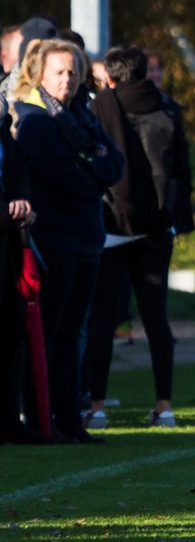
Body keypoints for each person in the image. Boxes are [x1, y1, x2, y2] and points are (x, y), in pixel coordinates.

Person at [8, 38, 124, 444]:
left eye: (73, 72)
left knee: (74, 329)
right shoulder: (37, 121)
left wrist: (91, 169)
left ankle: (70, 418)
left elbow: (114, 164)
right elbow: (67, 178)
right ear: (39, 74)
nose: (67, 80)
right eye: (58, 71)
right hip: (55, 238)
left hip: (87, 236)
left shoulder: (83, 116)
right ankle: (44, 418)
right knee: (51, 330)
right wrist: (92, 170)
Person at [83, 46, 194, 430]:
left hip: (112, 225)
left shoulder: (100, 106)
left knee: (102, 319)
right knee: (155, 318)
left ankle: (96, 405)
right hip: (157, 228)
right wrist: (181, 219)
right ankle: (164, 405)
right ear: (146, 72)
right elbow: (182, 169)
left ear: (111, 78)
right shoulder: (168, 109)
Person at [0, 99, 39, 444]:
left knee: (13, 333)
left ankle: (10, 421)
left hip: (7, 247)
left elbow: (18, 178)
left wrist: (22, 202)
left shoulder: (4, 135)